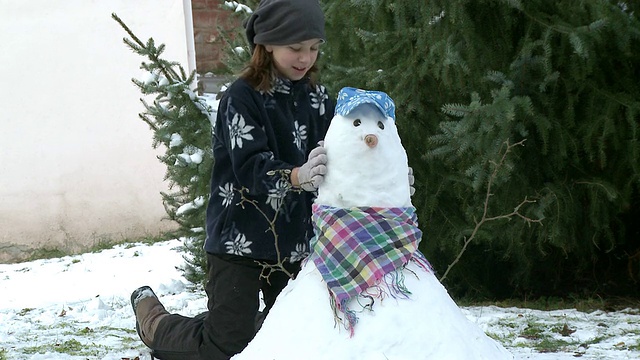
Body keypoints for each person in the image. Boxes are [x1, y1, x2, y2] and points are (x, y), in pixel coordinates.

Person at [129, 0, 334, 359]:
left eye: (314, 48)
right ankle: (154, 321)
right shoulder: (241, 97)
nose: (306, 58)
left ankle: (245, 325)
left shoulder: (318, 99)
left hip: (293, 240)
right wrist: (297, 175)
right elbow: (250, 167)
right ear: (268, 43)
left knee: (290, 336)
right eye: (296, 48)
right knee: (223, 346)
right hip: (238, 238)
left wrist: (383, 174)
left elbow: (341, 154)